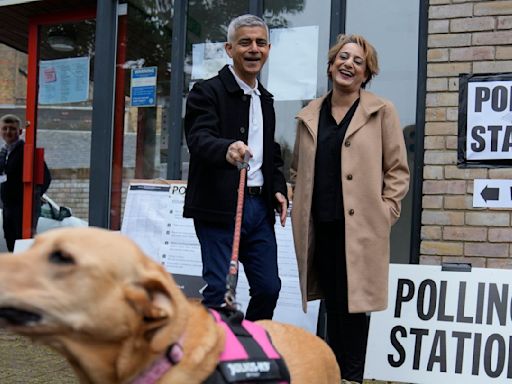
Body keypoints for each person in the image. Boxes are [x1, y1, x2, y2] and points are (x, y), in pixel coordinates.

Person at [290, 34, 410, 383]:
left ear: (366, 74)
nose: (349, 64)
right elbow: (298, 167)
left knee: (354, 310)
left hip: (361, 230)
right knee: (331, 304)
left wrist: (387, 211)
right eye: (343, 57)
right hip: (322, 227)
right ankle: (331, 375)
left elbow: (398, 171)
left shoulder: (381, 111)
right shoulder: (309, 115)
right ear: (330, 66)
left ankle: (351, 378)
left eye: (358, 61)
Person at [183, 15, 288, 321]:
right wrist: (226, 148)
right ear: (230, 49)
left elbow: (272, 152)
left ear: (267, 49)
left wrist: (278, 189)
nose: (253, 49)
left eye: (260, 43)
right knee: (220, 292)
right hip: (218, 208)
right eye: (245, 42)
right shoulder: (206, 91)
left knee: (269, 288)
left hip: (258, 210)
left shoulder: (265, 100)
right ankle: (216, 358)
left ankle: (249, 346)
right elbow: (199, 138)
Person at [0, 114, 51, 251]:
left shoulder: (26, 151)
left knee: (23, 245)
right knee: (12, 244)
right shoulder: (4, 152)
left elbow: (46, 178)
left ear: (20, 131)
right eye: (4, 129)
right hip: (8, 207)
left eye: (12, 129)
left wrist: (33, 196)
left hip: (23, 208)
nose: (8, 132)